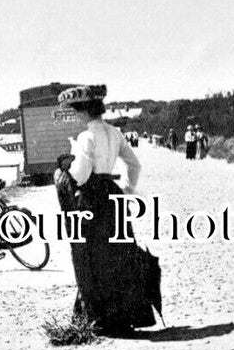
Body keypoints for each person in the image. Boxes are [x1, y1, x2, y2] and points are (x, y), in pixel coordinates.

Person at [54, 84, 159, 335]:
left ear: (83, 112)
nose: (76, 116)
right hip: (112, 195)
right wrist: (125, 188)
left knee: (93, 256)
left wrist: (66, 166)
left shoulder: (85, 137)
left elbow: (81, 175)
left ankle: (100, 318)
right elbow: (134, 165)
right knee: (120, 254)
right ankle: (126, 316)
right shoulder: (115, 133)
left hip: (92, 198)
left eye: (76, 111)